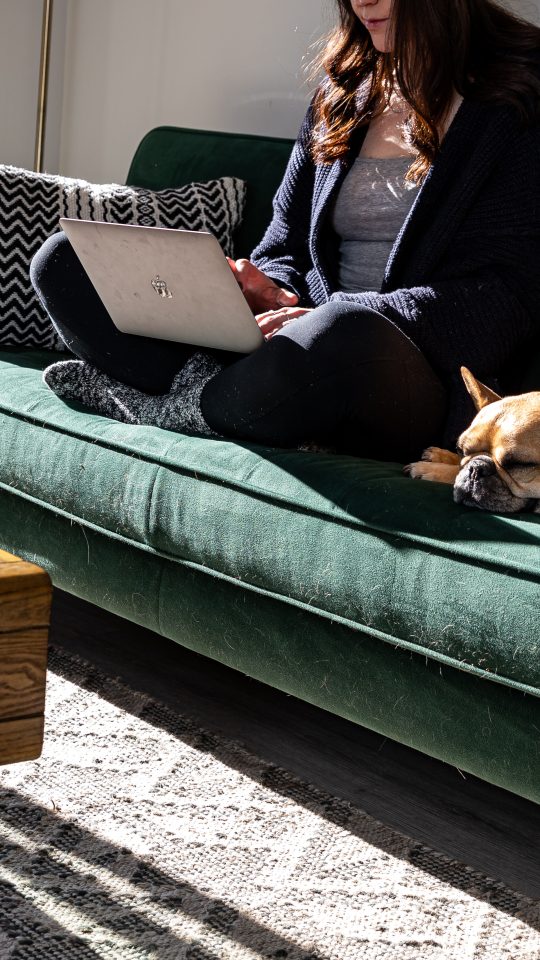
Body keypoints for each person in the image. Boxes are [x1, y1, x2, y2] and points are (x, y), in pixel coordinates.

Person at [31, 0, 540, 462]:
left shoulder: (517, 94)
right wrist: (264, 289)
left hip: (405, 369)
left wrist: (329, 314)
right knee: (63, 260)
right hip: (297, 345)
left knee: (337, 335)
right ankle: (229, 402)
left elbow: (504, 300)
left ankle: (166, 406)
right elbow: (284, 243)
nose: (362, 2)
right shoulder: (343, 91)